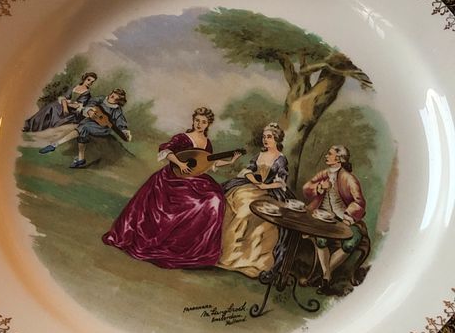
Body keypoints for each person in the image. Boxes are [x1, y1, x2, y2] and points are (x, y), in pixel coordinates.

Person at [102, 107, 242, 269]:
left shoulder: (207, 143)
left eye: (203, 122)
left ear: (208, 124)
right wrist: (180, 163)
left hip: (195, 179)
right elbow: (165, 150)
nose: (199, 124)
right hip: (173, 178)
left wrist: (230, 161)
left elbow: (207, 162)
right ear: (193, 120)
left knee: (215, 199)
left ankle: (192, 247)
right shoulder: (182, 138)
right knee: (194, 204)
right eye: (197, 120)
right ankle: (169, 243)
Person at [217, 123, 291, 278]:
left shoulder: (280, 159)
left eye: (269, 137)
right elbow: (249, 170)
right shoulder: (259, 155)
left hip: (269, 192)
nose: (265, 140)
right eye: (264, 137)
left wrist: (265, 185)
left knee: (246, 211)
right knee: (229, 201)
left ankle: (239, 259)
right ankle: (220, 251)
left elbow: (281, 182)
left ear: (276, 139)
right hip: (252, 186)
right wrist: (254, 180)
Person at [303, 145, 367, 294]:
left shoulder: (348, 178)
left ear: (338, 158)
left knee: (351, 241)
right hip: (321, 217)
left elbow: (359, 202)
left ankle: (324, 274)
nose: (326, 156)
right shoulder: (324, 174)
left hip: (344, 219)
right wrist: (320, 187)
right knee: (321, 239)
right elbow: (306, 188)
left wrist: (347, 217)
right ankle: (326, 277)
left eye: (329, 154)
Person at [38, 88, 132, 168]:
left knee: (84, 127)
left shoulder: (117, 110)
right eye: (112, 95)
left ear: (118, 101)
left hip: (103, 128)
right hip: (91, 121)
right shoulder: (101, 99)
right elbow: (90, 103)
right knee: (84, 126)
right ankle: (81, 159)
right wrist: (89, 110)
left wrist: (124, 131)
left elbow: (120, 121)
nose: (112, 98)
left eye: (115, 98)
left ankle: (55, 144)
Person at [23, 72, 98, 132]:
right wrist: (64, 105)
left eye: (92, 82)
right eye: (88, 80)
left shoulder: (87, 93)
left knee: (55, 110)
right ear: (84, 79)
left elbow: (78, 105)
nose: (89, 83)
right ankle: (30, 125)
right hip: (65, 105)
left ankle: (38, 128)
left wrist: (66, 104)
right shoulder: (75, 87)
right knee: (51, 106)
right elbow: (65, 97)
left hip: (73, 111)